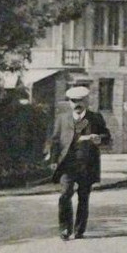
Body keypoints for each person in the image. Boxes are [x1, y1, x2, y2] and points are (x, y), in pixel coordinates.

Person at [44, 85, 108, 240]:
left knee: (83, 197)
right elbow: (55, 140)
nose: (77, 104)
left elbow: (106, 135)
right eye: (74, 101)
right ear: (69, 102)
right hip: (67, 164)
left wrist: (99, 138)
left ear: (86, 101)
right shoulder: (62, 118)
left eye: (80, 101)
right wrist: (53, 160)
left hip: (87, 164)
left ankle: (79, 229)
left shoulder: (95, 118)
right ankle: (65, 228)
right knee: (65, 195)